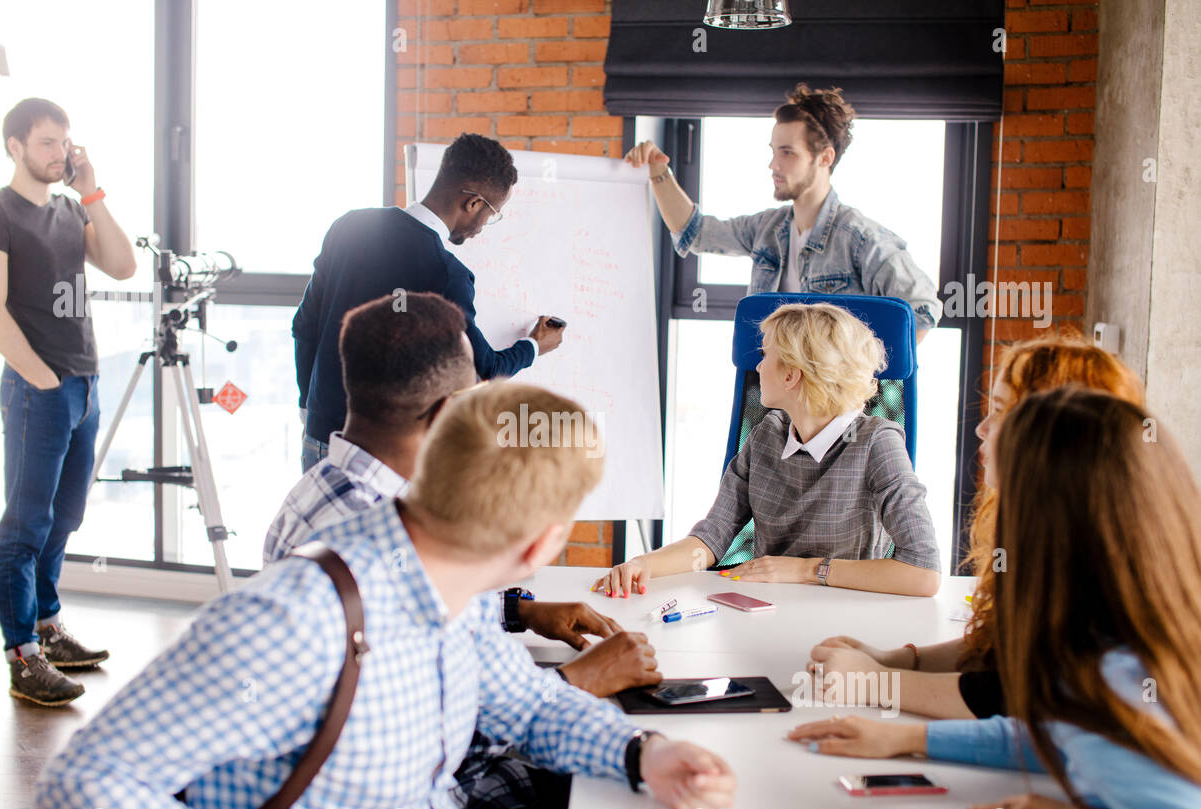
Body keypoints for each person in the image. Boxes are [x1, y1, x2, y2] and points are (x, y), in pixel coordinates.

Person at [37, 381, 736, 809]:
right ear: (538, 548)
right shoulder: (298, 620)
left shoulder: (452, 595)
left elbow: (530, 707)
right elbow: (87, 780)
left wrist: (642, 753)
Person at [267, 290, 662, 809]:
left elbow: (427, 624)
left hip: (448, 779)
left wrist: (520, 611)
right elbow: (416, 736)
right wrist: (580, 680)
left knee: (623, 794)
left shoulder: (338, 490)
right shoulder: (365, 534)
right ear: (451, 411)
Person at [789, 388, 1201, 809]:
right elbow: (1055, 735)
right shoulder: (1132, 637)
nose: (982, 434)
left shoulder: (1110, 682)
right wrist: (906, 739)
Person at [807, 336, 1145, 718]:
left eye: (1000, 411)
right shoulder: (1050, 517)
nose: (982, 429)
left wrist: (876, 682)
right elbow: (1001, 647)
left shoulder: (1098, 549)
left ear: (1055, 428)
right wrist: (895, 660)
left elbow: (1017, 696)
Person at [0, 98, 137, 707]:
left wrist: (92, 192)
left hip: (84, 383)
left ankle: (47, 625)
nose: (59, 153)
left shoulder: (68, 210)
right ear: (14, 146)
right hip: (39, 389)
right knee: (25, 524)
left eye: (63, 142)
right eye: (45, 143)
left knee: (64, 518)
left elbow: (121, 264)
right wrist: (39, 379)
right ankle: (22, 656)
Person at [594, 303, 939, 598]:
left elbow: (923, 572)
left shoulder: (877, 442)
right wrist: (643, 564)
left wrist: (806, 571)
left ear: (792, 374)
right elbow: (711, 538)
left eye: (766, 355)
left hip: (845, 627)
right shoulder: (766, 435)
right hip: (765, 614)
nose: (758, 367)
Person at [294, 132, 565, 473]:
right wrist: (534, 346)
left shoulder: (349, 227)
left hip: (319, 438)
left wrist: (308, 408)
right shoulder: (446, 274)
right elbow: (482, 369)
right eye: (492, 213)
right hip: (380, 458)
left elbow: (304, 326)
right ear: (473, 203)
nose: (484, 226)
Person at [625, 84, 941, 342]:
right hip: (773, 405)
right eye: (773, 151)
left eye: (787, 153)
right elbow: (695, 233)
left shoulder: (859, 237)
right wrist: (658, 171)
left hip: (835, 413)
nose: (773, 165)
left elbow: (921, 311)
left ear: (825, 157)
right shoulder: (768, 229)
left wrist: (864, 380)